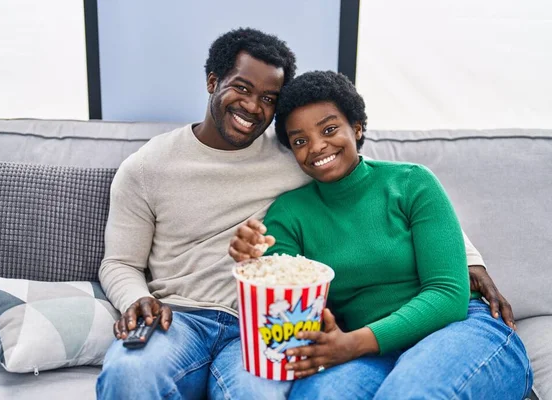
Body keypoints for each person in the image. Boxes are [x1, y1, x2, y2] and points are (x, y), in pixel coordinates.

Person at [97, 28, 514, 399]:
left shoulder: (296, 154)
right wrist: (144, 295)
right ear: (212, 82)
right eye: (241, 88)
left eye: (267, 99)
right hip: (186, 318)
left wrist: (467, 259)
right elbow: (123, 262)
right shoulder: (149, 168)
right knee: (131, 374)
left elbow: (382, 185)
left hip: (270, 327)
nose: (252, 107)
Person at [229, 71, 533, 399]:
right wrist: (254, 261)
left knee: (410, 392)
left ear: (357, 128)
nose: (317, 147)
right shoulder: (288, 214)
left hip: (457, 329)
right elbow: (283, 303)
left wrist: (354, 343)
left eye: (329, 129)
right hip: (367, 353)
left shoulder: (412, 183)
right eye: (300, 140)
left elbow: (448, 294)